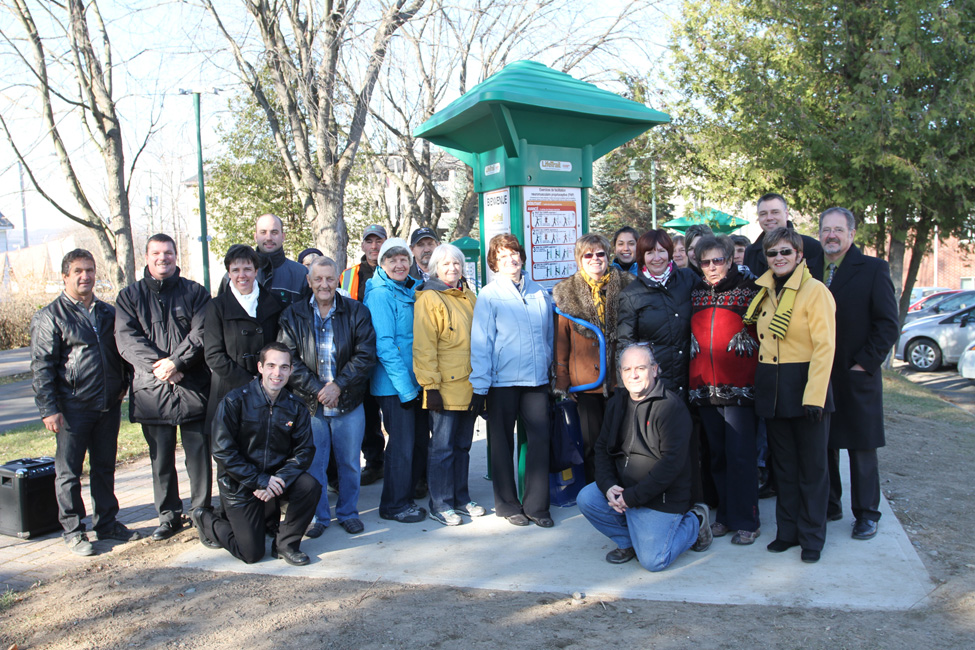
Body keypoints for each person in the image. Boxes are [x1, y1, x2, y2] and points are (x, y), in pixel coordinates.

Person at [30, 249, 141, 556]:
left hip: (107, 405)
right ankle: (74, 529)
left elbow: (123, 353)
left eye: (90, 270)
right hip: (71, 408)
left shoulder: (108, 313)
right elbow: (42, 365)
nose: (85, 276)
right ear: (65, 276)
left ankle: (107, 523)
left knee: (104, 467)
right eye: (78, 271)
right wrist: (48, 409)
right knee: (69, 472)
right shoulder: (50, 316)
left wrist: (124, 386)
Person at [744, 227, 835, 563]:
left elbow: (826, 347)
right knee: (783, 467)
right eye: (773, 253)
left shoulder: (815, 291)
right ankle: (788, 531)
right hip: (773, 385)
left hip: (806, 384)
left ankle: (812, 536)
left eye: (785, 252)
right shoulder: (765, 292)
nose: (779, 258)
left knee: (812, 468)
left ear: (799, 255)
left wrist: (816, 396)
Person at [576, 345, 712, 570]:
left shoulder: (671, 408)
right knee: (587, 498)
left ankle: (695, 522)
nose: (634, 375)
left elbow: (671, 466)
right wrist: (608, 486)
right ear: (620, 373)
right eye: (627, 369)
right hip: (625, 489)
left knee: (654, 561)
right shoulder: (617, 402)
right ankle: (628, 543)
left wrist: (632, 498)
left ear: (655, 369)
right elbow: (601, 448)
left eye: (641, 368)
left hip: (662, 497)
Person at [115, 234, 213, 541]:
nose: (163, 258)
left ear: (175, 256)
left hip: (193, 387)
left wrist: (177, 363)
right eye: (156, 253)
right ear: (146, 257)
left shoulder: (195, 293)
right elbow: (126, 340)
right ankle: (168, 516)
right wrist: (161, 366)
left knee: (198, 457)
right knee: (160, 460)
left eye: (168, 253)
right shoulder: (129, 297)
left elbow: (202, 332)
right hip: (151, 391)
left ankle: (201, 512)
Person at [192, 343, 321, 566]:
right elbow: (223, 451)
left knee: (310, 485)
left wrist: (279, 479)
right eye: (271, 365)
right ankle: (204, 519)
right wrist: (259, 480)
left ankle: (285, 544)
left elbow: (304, 451)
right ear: (260, 367)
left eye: (283, 367)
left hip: (276, 479)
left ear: (291, 371)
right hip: (240, 484)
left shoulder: (296, 407)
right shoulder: (234, 402)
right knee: (251, 554)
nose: (277, 373)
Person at [814, 207, 899, 541]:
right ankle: (831, 504)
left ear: (851, 234)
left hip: (857, 373)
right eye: (826, 229)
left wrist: (865, 363)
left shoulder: (873, 269)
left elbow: (888, 324)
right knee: (826, 444)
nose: (831, 235)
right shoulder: (810, 269)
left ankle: (866, 514)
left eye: (838, 229)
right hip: (822, 373)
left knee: (862, 447)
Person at [278, 256, 377, 536]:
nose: (324, 284)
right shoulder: (293, 314)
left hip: (348, 402)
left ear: (338, 280)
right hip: (310, 405)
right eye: (318, 279)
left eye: (329, 278)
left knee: (349, 463)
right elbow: (289, 359)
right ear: (309, 282)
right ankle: (318, 516)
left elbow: (365, 355)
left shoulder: (357, 312)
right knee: (314, 463)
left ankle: (348, 512)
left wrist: (338, 386)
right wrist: (318, 390)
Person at [470, 234, 555, 527]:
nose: (511, 260)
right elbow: (482, 342)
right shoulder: (489, 295)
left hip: (536, 381)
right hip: (501, 382)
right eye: (503, 256)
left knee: (540, 442)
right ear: (495, 262)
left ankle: (537, 506)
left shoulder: (540, 293)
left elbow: (549, 337)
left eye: (514, 253)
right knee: (502, 444)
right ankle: (507, 505)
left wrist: (550, 369)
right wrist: (480, 387)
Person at [688, 235, 761, 545]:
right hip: (705, 389)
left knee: (741, 457)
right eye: (706, 262)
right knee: (717, 456)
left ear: (731, 260)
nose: (712, 267)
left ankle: (748, 519)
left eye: (718, 260)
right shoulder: (694, 292)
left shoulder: (750, 291)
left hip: (741, 390)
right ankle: (725, 516)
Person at [413, 243, 485, 525]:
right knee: (442, 449)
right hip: (443, 388)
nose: (452, 268)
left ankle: (461, 498)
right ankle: (440, 503)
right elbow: (424, 347)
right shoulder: (429, 299)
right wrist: (430, 387)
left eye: (456, 263)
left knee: (462, 447)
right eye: (446, 264)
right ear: (434, 269)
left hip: (469, 386)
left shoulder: (469, 296)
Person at [553, 233, 634, 482]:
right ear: (579, 259)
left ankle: (622, 490)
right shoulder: (567, 293)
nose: (595, 259)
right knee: (592, 443)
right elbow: (562, 342)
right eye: (588, 254)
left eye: (600, 253)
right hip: (587, 383)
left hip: (621, 380)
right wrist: (564, 382)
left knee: (621, 440)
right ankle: (596, 492)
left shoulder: (628, 285)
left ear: (608, 256)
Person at [364, 238, 428, 523]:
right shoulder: (380, 294)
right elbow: (385, 346)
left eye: (403, 258)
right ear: (382, 264)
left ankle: (409, 493)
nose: (399, 264)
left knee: (415, 442)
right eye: (392, 260)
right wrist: (406, 389)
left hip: (415, 381)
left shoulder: (412, 289)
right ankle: (393, 505)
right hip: (394, 385)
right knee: (401, 445)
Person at [204, 244, 284, 434]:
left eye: (247, 269)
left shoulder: (273, 304)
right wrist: (250, 383)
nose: (242, 275)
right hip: (228, 392)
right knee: (230, 457)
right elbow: (213, 354)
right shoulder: (216, 307)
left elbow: (280, 348)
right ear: (229, 273)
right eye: (236, 270)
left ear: (256, 271)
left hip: (268, 391)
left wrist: (266, 381)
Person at [617, 229, 697, 402]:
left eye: (662, 251)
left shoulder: (687, 279)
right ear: (642, 257)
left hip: (693, 378)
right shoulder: (631, 294)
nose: (657, 257)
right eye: (650, 253)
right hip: (657, 383)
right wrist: (627, 388)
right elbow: (625, 342)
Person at [340, 223, 387, 485]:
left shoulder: (395, 270)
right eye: (369, 242)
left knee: (394, 413)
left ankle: (399, 461)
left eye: (378, 241)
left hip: (388, 354)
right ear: (362, 246)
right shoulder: (347, 276)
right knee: (368, 413)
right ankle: (374, 461)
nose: (374, 246)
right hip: (359, 356)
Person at [219, 214, 309, 307]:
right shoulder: (233, 276)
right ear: (255, 236)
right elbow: (221, 312)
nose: (269, 238)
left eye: (274, 232)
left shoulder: (301, 274)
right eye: (263, 232)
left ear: (283, 236)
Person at [743, 193, 824, 278]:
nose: (769, 217)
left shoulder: (812, 247)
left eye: (775, 212)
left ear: (786, 214)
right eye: (763, 214)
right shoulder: (751, 252)